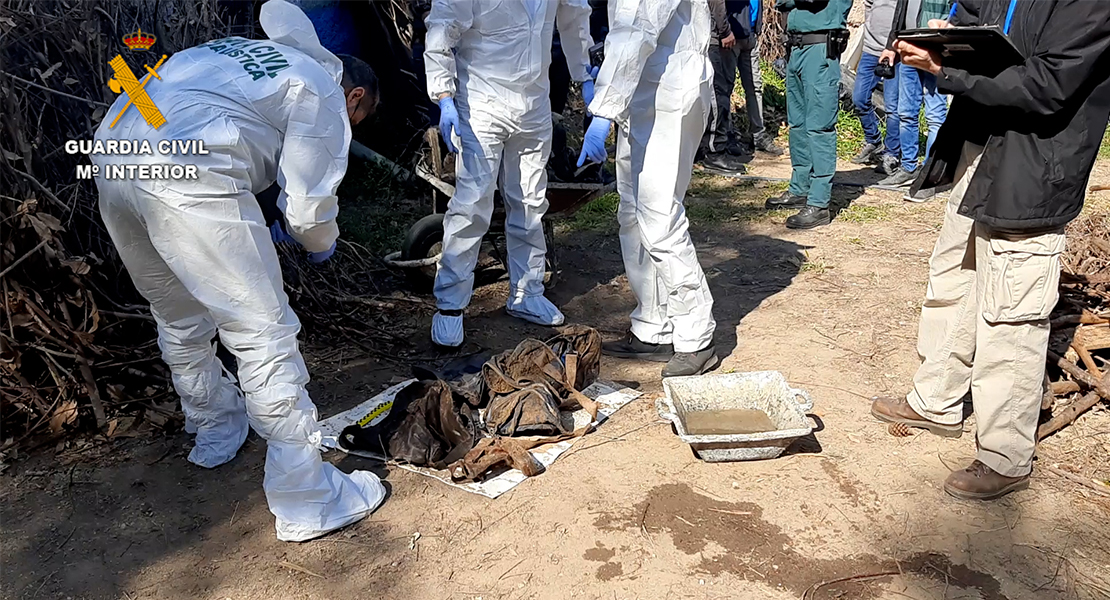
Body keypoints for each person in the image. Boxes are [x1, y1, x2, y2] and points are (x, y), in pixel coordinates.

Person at [91, 0, 385, 541]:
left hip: (115, 156)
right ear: (355, 97)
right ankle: (307, 499)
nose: (349, 130)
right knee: (262, 331)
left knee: (177, 314)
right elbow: (308, 214)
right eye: (356, 122)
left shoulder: (240, 54)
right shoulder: (322, 91)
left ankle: (214, 430)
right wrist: (320, 243)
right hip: (191, 172)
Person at [871, 0, 1110, 500]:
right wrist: (941, 36)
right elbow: (973, 21)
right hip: (980, 146)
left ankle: (1006, 455)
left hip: (1035, 162)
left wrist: (944, 71)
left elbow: (1046, 87)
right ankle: (936, 398)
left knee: (1013, 311)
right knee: (955, 275)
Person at [424, 0, 594, 348]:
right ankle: (451, 304)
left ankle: (527, 292)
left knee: (531, 202)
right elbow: (442, 29)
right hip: (481, 104)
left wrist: (585, 75)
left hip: (533, 103)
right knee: (472, 204)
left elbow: (575, 15)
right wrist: (444, 96)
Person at [579, 0, 720, 378]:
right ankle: (653, 326)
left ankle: (695, 336)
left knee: (659, 217)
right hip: (642, 96)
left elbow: (636, 28)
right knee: (631, 214)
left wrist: (603, 110)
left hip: (671, 95)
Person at [764, 0, 853, 230]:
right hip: (797, 47)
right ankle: (800, 188)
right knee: (798, 124)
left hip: (820, 47)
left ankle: (819, 203)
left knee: (819, 126)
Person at [700, 0, 783, 175]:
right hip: (728, 37)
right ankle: (720, 144)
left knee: (753, 87)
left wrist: (756, 28)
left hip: (749, 35)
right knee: (721, 92)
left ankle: (756, 135)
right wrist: (725, 31)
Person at [877, 0, 951, 193]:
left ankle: (929, 172)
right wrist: (891, 47)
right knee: (906, 113)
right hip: (909, 50)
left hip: (936, 52)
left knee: (935, 116)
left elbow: (958, 15)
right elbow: (899, 14)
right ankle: (908, 167)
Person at [850, 0, 901, 176]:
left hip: (896, 52)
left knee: (892, 106)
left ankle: (891, 153)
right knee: (859, 98)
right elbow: (869, 6)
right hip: (871, 50)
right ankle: (873, 141)